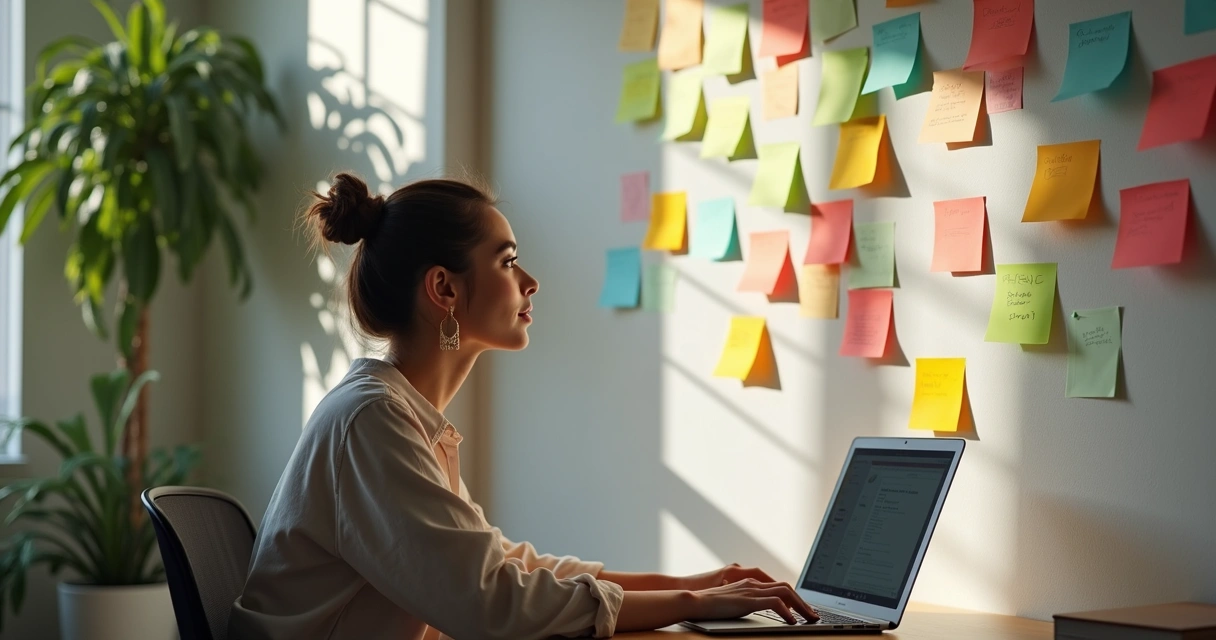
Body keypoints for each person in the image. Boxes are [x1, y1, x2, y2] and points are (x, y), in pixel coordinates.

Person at [228, 173, 819, 639]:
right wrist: (692, 603)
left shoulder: (401, 416)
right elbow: (490, 605)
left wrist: (693, 584)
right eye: (508, 262)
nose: (530, 281)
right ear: (445, 289)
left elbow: (507, 568)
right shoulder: (372, 421)